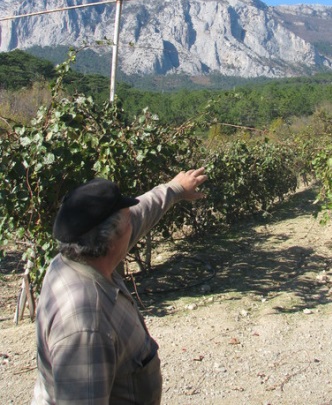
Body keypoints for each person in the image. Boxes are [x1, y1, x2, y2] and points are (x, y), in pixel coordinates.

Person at [31, 167, 207, 405]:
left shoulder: (79, 256)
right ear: (111, 238)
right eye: (128, 220)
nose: (133, 223)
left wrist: (174, 189)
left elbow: (140, 214)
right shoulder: (85, 323)